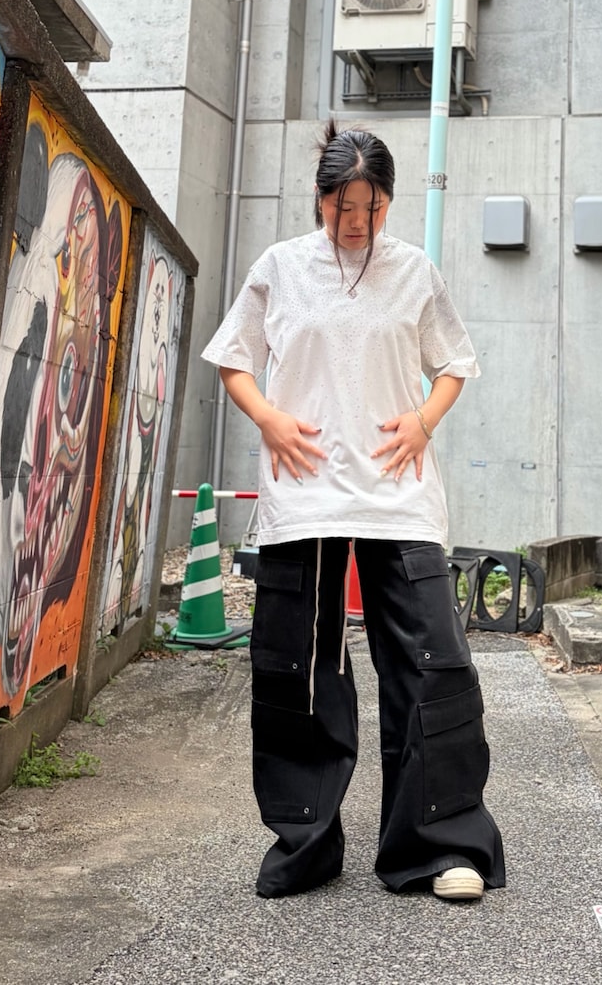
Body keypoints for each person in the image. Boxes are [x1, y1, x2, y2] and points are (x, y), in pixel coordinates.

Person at [202, 119, 505, 901]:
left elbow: (454, 363)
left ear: (387, 203)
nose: (356, 222)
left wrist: (424, 421)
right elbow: (234, 358)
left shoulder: (413, 272)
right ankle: (305, 843)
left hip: (399, 496)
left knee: (433, 664)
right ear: (321, 197)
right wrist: (268, 418)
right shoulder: (281, 267)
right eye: (343, 207)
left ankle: (442, 847)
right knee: (298, 672)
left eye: (371, 208)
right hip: (305, 494)